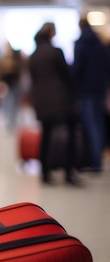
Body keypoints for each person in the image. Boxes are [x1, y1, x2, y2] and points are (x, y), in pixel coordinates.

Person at [28, 22, 79, 185]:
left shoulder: (34, 55)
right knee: (71, 132)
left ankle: (45, 172)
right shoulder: (56, 52)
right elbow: (67, 76)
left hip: (42, 101)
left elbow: (33, 79)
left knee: (46, 135)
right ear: (51, 34)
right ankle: (69, 172)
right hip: (60, 100)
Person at [73, 17, 109, 173]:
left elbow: (77, 70)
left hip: (85, 91)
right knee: (99, 125)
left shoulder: (80, 44)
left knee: (89, 125)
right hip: (99, 90)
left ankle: (93, 161)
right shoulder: (100, 44)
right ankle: (97, 158)